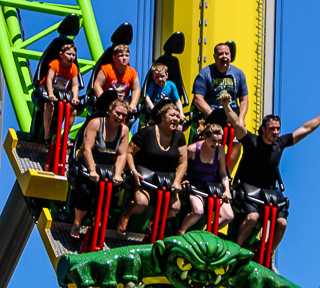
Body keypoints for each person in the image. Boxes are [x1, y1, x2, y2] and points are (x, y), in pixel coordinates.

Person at [220, 92, 320, 255]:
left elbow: (306, 128)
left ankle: (267, 254)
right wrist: (226, 105)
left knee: (282, 223)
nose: (276, 132)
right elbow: (236, 124)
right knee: (252, 218)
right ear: (263, 129)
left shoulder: (280, 144)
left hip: (268, 192)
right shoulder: (252, 141)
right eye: (272, 129)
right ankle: (236, 251)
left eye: (278, 129)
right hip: (247, 189)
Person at [117, 103, 187, 235]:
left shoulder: (179, 137)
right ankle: (126, 215)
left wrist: (177, 181)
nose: (175, 119)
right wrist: (133, 171)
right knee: (141, 203)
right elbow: (129, 153)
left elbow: (183, 162)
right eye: (172, 115)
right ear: (162, 116)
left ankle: (155, 221)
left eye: (178, 116)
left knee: (175, 207)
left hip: (167, 179)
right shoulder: (147, 132)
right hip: (145, 177)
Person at [70, 99, 130, 238]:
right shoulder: (96, 123)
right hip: (91, 162)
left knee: (115, 194)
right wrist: (92, 170)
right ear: (110, 111)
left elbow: (122, 154)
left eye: (123, 116)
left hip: (108, 166)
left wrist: (118, 174)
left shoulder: (124, 130)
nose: (120, 117)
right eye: (118, 113)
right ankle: (77, 223)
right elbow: (87, 149)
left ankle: (99, 220)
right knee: (85, 190)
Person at [192, 43, 249, 169]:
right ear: (215, 56)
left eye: (226, 54)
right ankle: (206, 170)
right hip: (212, 114)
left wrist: (241, 119)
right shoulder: (205, 73)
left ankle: (226, 174)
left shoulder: (238, 74)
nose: (224, 57)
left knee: (238, 142)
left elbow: (244, 100)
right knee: (209, 139)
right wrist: (213, 115)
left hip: (232, 115)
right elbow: (198, 98)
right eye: (220, 54)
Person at [177, 123, 233, 235]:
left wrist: (227, 189)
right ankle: (181, 231)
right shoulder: (192, 150)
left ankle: (207, 233)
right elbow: (181, 166)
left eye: (219, 141)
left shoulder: (220, 150)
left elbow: (223, 173)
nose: (216, 144)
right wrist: (182, 180)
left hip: (213, 186)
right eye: (214, 140)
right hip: (196, 184)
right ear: (205, 137)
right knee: (198, 211)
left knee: (229, 216)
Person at [42, 41, 80, 146]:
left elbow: (74, 85)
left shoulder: (73, 68)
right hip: (50, 94)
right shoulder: (55, 64)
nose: (71, 57)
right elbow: (49, 80)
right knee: (49, 106)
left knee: (73, 110)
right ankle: (47, 135)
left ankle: (65, 136)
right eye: (69, 54)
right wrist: (50, 94)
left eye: (73, 55)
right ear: (61, 54)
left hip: (63, 96)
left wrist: (75, 97)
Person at [93, 44, 141, 116]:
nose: (124, 58)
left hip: (123, 102)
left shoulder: (132, 72)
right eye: (121, 56)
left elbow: (136, 89)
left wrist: (133, 104)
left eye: (127, 56)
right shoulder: (106, 69)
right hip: (108, 102)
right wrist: (103, 100)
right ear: (114, 58)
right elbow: (97, 85)